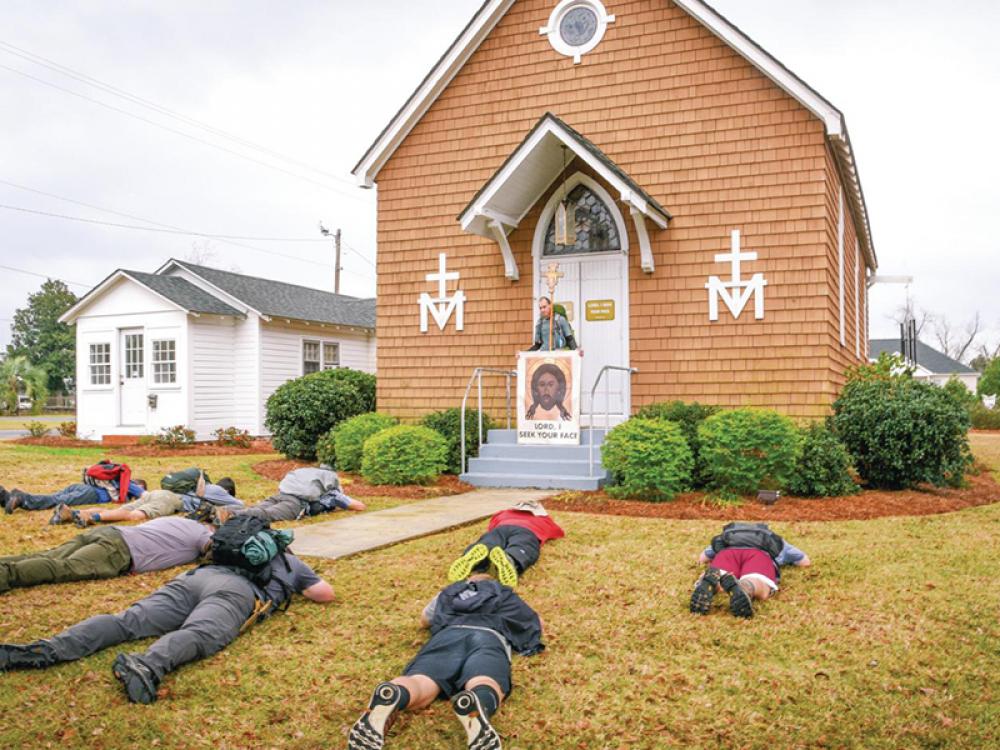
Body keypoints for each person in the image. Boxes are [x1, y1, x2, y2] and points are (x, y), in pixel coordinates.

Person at [0, 546, 334, 703]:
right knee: (201, 633)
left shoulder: (229, 547)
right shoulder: (292, 561)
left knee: (127, 621)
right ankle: (146, 665)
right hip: (236, 592)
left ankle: (52, 647)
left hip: (193, 579)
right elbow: (324, 594)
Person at [348, 574, 544, 750]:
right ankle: (479, 705)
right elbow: (535, 623)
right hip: (488, 637)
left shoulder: (450, 592)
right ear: (490, 583)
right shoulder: (503, 593)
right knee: (484, 679)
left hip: (447, 636)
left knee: (422, 680)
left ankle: (397, 693)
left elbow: (424, 620)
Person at [0, 509, 217, 594]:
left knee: (48, 555)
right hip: (118, 550)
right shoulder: (202, 534)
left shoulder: (177, 520)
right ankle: (6, 575)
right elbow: (215, 550)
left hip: (108, 533)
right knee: (62, 568)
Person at [690, 522, 811, 618]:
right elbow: (805, 561)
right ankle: (746, 587)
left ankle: (711, 583)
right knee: (756, 580)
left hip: (727, 553)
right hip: (758, 555)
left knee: (719, 574)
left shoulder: (727, 536)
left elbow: (702, 558)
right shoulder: (772, 538)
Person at [52, 473, 243, 527]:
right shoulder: (216, 490)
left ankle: (74, 513)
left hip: (155, 493)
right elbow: (240, 506)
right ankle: (93, 518)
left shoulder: (198, 485)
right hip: (169, 501)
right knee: (134, 516)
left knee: (126, 509)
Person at [447, 499, 564, 588]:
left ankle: (477, 555)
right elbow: (558, 532)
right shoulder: (543, 519)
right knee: (522, 545)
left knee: (488, 541)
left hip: (501, 528)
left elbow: (491, 526)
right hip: (527, 530)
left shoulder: (503, 514)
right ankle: (511, 558)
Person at [217, 466, 365, 524]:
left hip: (282, 493)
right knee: (266, 514)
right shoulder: (332, 492)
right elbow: (359, 506)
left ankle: (216, 511)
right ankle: (230, 513)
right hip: (295, 503)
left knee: (257, 507)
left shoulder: (307, 475)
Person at [1, 477, 146, 515]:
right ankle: (22, 499)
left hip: (81, 487)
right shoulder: (130, 484)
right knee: (54, 501)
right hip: (90, 493)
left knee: (52, 497)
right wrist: (141, 493)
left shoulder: (118, 483)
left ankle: (5, 496)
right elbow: (145, 495)